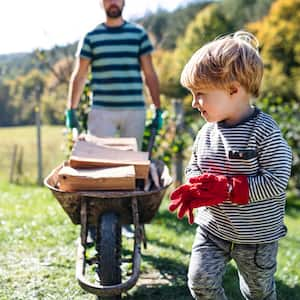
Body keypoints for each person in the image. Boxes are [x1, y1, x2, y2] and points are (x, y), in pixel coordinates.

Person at [169, 31, 292, 300]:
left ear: (233, 89)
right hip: (213, 228)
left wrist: (226, 189)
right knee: (200, 282)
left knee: (258, 292)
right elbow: (195, 167)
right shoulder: (206, 132)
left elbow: (277, 179)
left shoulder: (264, 130)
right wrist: (195, 186)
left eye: (199, 93)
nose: (194, 103)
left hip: (257, 235)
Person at [65, 0, 162, 239]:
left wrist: (157, 108)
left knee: (132, 167)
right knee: (97, 167)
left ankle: (127, 219)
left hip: (134, 110)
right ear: (102, 3)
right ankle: (94, 222)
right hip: (102, 111)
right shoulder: (92, 36)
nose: (113, 2)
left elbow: (149, 73)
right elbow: (79, 75)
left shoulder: (137, 34)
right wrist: (71, 109)